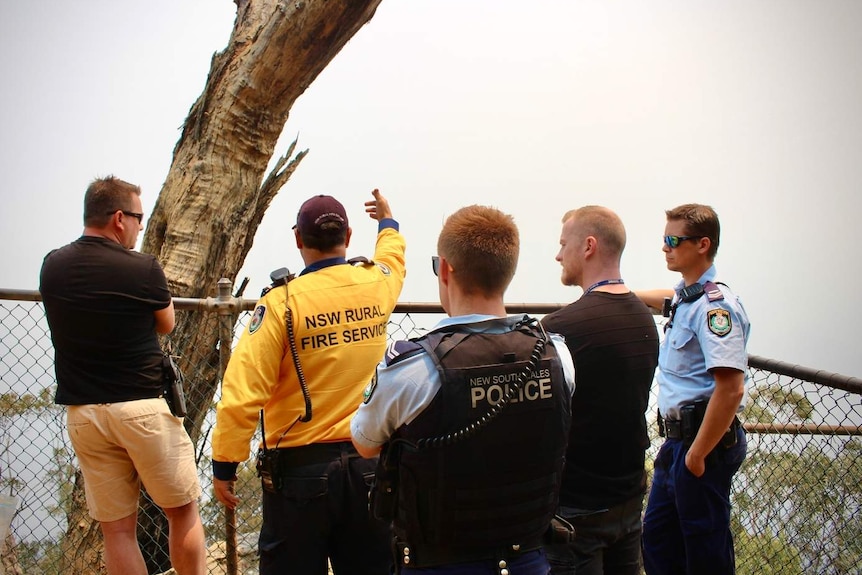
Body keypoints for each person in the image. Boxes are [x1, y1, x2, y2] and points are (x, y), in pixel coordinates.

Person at [351, 204, 576, 575]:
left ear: (446, 269)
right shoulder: (557, 357)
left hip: (438, 564)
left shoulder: (413, 368)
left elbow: (364, 442)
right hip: (529, 560)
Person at [211, 190, 406, 575]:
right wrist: (387, 223)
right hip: (370, 466)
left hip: (299, 477)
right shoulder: (374, 284)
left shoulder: (281, 303)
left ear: (298, 240)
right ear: (348, 236)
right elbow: (393, 261)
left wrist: (225, 463)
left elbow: (243, 392)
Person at [39, 176, 206, 575]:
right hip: (141, 408)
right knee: (181, 511)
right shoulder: (142, 267)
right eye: (138, 218)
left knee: (117, 531)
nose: (140, 227)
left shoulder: (53, 265)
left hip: (85, 414)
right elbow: (166, 323)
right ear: (119, 218)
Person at [541, 206, 659, 575]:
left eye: (563, 244)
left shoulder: (561, 328)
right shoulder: (644, 318)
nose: (558, 254)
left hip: (576, 510)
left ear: (588, 246)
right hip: (627, 498)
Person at [636, 203, 751, 575]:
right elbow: (663, 297)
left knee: (704, 551)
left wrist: (697, 456)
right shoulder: (687, 298)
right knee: (656, 539)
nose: (665, 247)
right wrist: (618, 294)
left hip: (703, 447)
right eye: (664, 239)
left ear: (702, 244)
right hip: (676, 444)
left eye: (673, 240)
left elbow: (731, 389)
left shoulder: (716, 310)